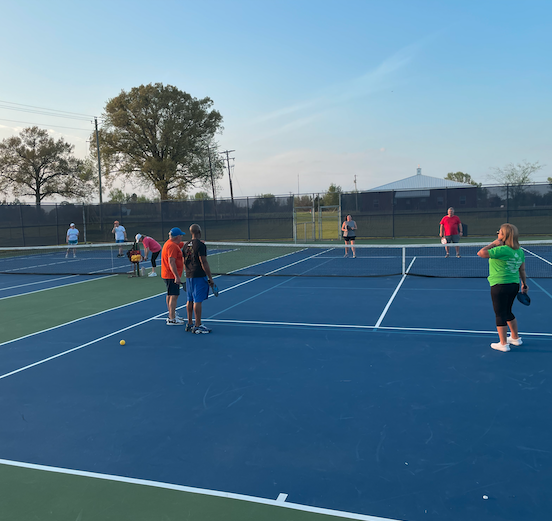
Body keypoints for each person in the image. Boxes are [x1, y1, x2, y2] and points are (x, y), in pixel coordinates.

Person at [477, 223, 528, 352]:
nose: (497, 233)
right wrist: (524, 284)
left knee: (499, 314)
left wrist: (493, 243)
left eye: (499, 232)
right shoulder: (519, 251)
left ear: (503, 235)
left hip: (499, 286)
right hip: (513, 285)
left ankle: (503, 343)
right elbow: (522, 269)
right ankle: (515, 338)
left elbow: (481, 253)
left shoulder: (502, 250)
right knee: (508, 311)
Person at [183, 224, 215, 334]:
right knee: (197, 300)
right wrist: (210, 277)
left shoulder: (185, 245)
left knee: (190, 299)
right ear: (199, 232)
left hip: (189, 275)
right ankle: (198, 325)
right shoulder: (201, 245)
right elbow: (203, 262)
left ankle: (190, 323)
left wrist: (187, 272)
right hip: (199, 275)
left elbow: (184, 262)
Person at [161, 227, 186, 325]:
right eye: (181, 236)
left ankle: (172, 314)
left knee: (170, 294)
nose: (182, 237)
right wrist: (177, 276)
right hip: (171, 275)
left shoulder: (171, 243)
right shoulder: (172, 246)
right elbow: (172, 262)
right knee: (174, 296)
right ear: (178, 236)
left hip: (167, 274)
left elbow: (182, 244)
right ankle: (172, 319)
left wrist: (194, 242)